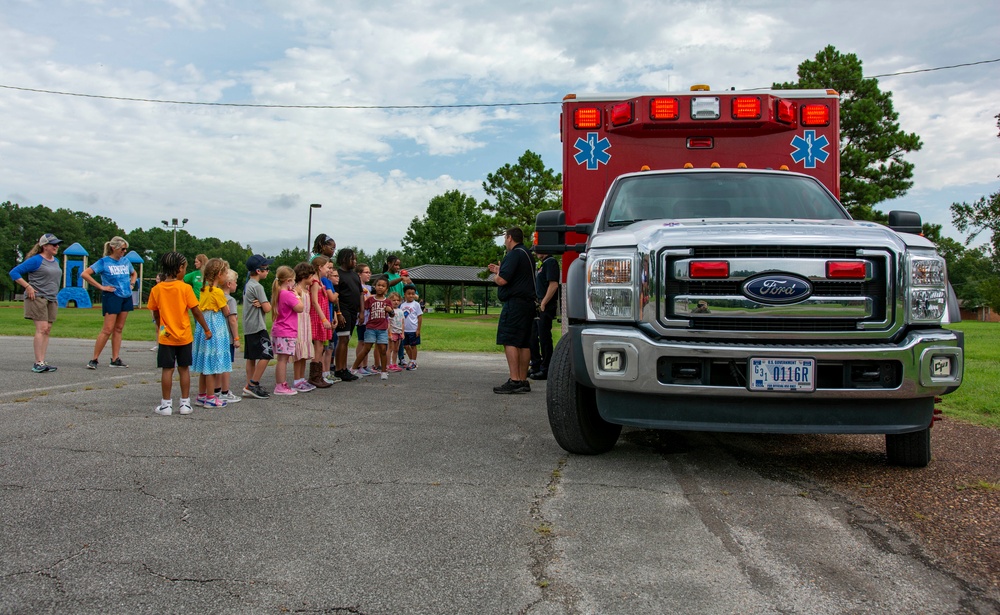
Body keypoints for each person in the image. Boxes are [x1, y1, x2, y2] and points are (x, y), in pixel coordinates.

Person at [147, 252, 210, 416]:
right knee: (184, 369)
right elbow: (196, 311)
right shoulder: (185, 288)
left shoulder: (156, 289)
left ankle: (166, 404)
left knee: (167, 370)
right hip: (184, 336)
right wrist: (206, 328)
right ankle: (185, 403)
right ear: (180, 268)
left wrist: (161, 324)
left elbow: (155, 312)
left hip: (166, 336)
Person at [487, 227, 536, 394]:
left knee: (510, 340)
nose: (505, 242)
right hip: (527, 304)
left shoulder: (513, 254)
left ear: (509, 238)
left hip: (515, 304)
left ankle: (514, 380)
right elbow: (516, 276)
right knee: (523, 342)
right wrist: (500, 270)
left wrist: (496, 276)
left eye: (505, 238)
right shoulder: (527, 254)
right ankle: (523, 380)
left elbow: (502, 280)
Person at [8, 233, 63, 373]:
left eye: (57, 244)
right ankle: (37, 362)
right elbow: (14, 272)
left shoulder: (55, 260)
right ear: (44, 246)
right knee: (42, 328)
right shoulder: (36, 260)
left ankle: (43, 361)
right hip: (38, 297)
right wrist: (28, 286)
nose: (57, 246)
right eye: (53, 244)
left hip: (51, 298)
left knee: (48, 329)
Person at [81, 236, 137, 370]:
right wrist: (101, 287)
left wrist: (132, 283)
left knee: (119, 328)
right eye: (122, 249)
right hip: (112, 296)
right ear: (114, 248)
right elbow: (85, 274)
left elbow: (134, 273)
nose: (124, 251)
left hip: (125, 296)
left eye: (125, 249)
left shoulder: (125, 261)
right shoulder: (104, 262)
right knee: (107, 329)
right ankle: (94, 359)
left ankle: (115, 358)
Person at [192, 258, 233, 408]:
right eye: (225, 273)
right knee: (212, 364)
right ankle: (210, 397)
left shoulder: (203, 290)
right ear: (219, 275)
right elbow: (226, 311)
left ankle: (202, 395)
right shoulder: (217, 292)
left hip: (204, 326)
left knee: (205, 363)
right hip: (216, 326)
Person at [242, 254, 274, 399]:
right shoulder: (258, 286)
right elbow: (268, 308)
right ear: (259, 271)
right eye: (266, 268)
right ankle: (253, 384)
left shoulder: (248, 284)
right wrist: (264, 304)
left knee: (251, 357)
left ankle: (250, 384)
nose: (268, 271)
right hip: (257, 326)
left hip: (249, 326)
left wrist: (262, 304)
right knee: (267, 354)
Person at [352, 275, 394, 380]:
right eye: (378, 285)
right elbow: (362, 308)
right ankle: (354, 368)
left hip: (382, 329)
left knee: (383, 350)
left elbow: (392, 314)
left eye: (383, 286)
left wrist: (390, 310)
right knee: (366, 349)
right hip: (370, 328)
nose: (380, 287)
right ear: (375, 286)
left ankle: (384, 371)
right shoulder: (370, 300)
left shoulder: (388, 301)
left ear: (386, 289)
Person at [270, 265, 303, 395]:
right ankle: (280, 386)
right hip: (286, 331)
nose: (295, 283)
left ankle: (281, 384)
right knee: (283, 360)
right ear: (288, 280)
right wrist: (298, 296)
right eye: (294, 280)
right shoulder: (287, 294)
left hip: (280, 330)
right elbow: (300, 308)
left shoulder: (279, 293)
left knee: (281, 359)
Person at [528, 251, 560, 381]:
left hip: (546, 305)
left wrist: (544, 302)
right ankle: (535, 364)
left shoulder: (551, 262)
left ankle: (546, 368)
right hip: (538, 303)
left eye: (537, 250)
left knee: (544, 336)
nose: (535, 253)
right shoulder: (541, 265)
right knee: (533, 335)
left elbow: (553, 285)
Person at [333, 248, 362, 382]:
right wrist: (338, 313)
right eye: (352, 259)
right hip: (343, 310)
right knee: (342, 339)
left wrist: (361, 311)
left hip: (353, 311)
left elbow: (361, 293)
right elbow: (336, 296)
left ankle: (344, 368)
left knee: (347, 339)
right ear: (344, 259)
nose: (355, 261)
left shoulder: (355, 275)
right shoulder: (338, 274)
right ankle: (339, 369)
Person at [307, 257, 333, 389]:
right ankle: (314, 376)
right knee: (318, 346)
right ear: (319, 267)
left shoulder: (321, 282)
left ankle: (318, 374)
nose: (328, 270)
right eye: (327, 267)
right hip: (317, 317)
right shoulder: (315, 282)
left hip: (322, 315)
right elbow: (315, 302)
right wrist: (323, 319)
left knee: (321, 346)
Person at [217, 268, 242, 403]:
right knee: (226, 365)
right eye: (235, 282)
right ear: (229, 284)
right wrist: (236, 338)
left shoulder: (216, 296)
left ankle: (216, 390)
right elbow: (232, 320)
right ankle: (225, 391)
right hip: (227, 337)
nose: (236, 285)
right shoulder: (230, 300)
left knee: (218, 364)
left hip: (218, 336)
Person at [382, 254, 413, 365]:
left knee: (399, 333)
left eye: (399, 265)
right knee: (391, 333)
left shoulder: (398, 276)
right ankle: (388, 360)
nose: (397, 267)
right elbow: (388, 285)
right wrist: (400, 278)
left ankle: (400, 357)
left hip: (399, 306)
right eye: (395, 264)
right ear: (389, 264)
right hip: (389, 306)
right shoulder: (386, 275)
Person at [291, 262, 316, 392]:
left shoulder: (306, 290)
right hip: (298, 322)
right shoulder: (296, 289)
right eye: (311, 276)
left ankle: (301, 379)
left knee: (304, 352)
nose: (312, 279)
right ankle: (296, 379)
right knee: (299, 352)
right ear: (304, 275)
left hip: (306, 322)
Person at [321, 265, 342, 384]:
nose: (337, 278)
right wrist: (337, 293)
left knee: (330, 348)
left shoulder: (330, 284)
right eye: (335, 275)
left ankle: (327, 372)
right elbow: (333, 298)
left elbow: (332, 304)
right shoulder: (326, 282)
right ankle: (323, 373)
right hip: (325, 320)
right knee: (325, 348)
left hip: (330, 318)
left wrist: (335, 317)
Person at [354, 262, 373, 375]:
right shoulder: (358, 287)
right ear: (359, 274)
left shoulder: (368, 287)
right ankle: (359, 365)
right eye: (366, 272)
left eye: (369, 272)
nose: (369, 274)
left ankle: (365, 365)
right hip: (362, 318)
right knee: (362, 341)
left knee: (368, 342)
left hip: (369, 319)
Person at [400, 284, 423, 370]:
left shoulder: (416, 304)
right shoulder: (402, 305)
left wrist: (418, 329)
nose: (411, 295)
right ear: (405, 294)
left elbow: (419, 317)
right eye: (409, 294)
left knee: (413, 345)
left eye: (413, 294)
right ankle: (411, 360)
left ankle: (413, 361)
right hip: (405, 330)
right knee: (406, 346)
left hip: (413, 329)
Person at [386, 291, 404, 372]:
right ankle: (388, 364)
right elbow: (388, 323)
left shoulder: (401, 311)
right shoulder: (390, 311)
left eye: (397, 300)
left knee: (396, 349)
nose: (396, 302)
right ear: (389, 301)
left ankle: (394, 363)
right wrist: (389, 333)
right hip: (392, 332)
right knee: (390, 349)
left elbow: (402, 322)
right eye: (393, 300)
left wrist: (402, 332)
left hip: (399, 332)